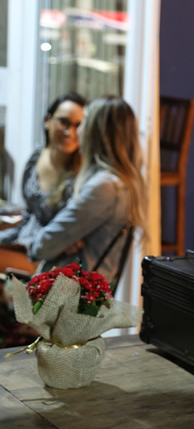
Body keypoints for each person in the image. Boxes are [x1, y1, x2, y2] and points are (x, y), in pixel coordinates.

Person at [28, 95, 147, 286]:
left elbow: (42, 245)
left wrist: (59, 243)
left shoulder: (104, 187)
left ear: (96, 132)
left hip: (68, 295)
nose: (77, 131)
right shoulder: (122, 182)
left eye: (83, 123)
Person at [0, 92, 86, 274]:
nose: (70, 132)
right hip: (23, 239)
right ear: (48, 121)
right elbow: (29, 213)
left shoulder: (82, 174)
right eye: (64, 122)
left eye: (78, 125)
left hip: (50, 256)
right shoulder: (37, 156)